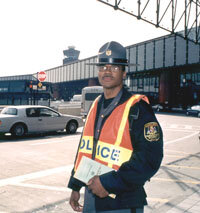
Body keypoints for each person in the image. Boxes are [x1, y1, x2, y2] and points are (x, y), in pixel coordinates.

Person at [67, 41, 163, 213]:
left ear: (124, 73)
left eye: (114, 67)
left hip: (122, 201)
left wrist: (109, 183)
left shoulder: (137, 108)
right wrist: (75, 185)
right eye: (103, 66)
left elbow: (150, 158)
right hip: (92, 197)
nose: (107, 71)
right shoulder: (95, 105)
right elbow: (85, 149)